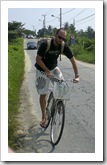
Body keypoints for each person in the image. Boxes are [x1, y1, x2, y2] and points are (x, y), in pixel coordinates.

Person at [35, 28, 79, 128]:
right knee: (43, 93)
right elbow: (38, 59)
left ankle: (59, 103)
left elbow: (73, 60)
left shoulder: (63, 46)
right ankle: (44, 117)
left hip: (53, 68)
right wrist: (46, 70)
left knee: (62, 85)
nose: (61, 40)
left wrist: (77, 76)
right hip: (41, 69)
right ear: (55, 35)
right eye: (59, 37)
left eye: (63, 38)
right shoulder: (45, 44)